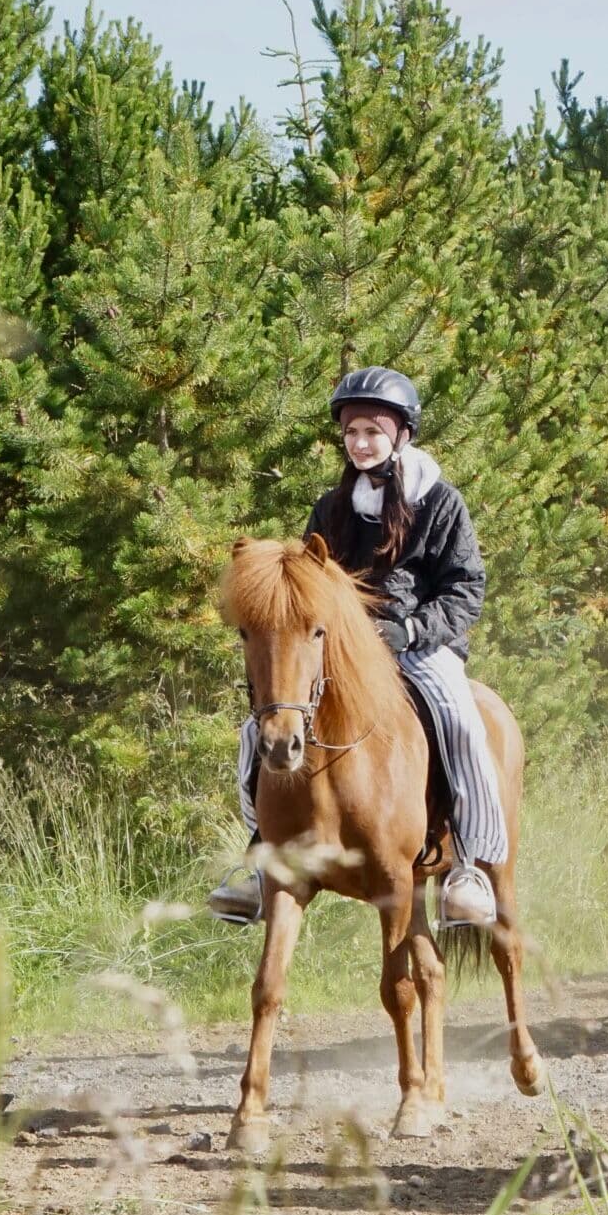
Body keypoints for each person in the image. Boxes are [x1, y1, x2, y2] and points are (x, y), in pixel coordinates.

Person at [208, 367, 504, 927]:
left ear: (401, 435)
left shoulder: (440, 502)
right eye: (351, 433)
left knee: (460, 721)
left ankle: (467, 862)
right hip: (341, 653)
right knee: (260, 727)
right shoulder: (332, 506)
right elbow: (307, 585)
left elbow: (466, 590)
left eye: (372, 431)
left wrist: (411, 630)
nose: (361, 443)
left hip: (421, 644)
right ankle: (258, 859)